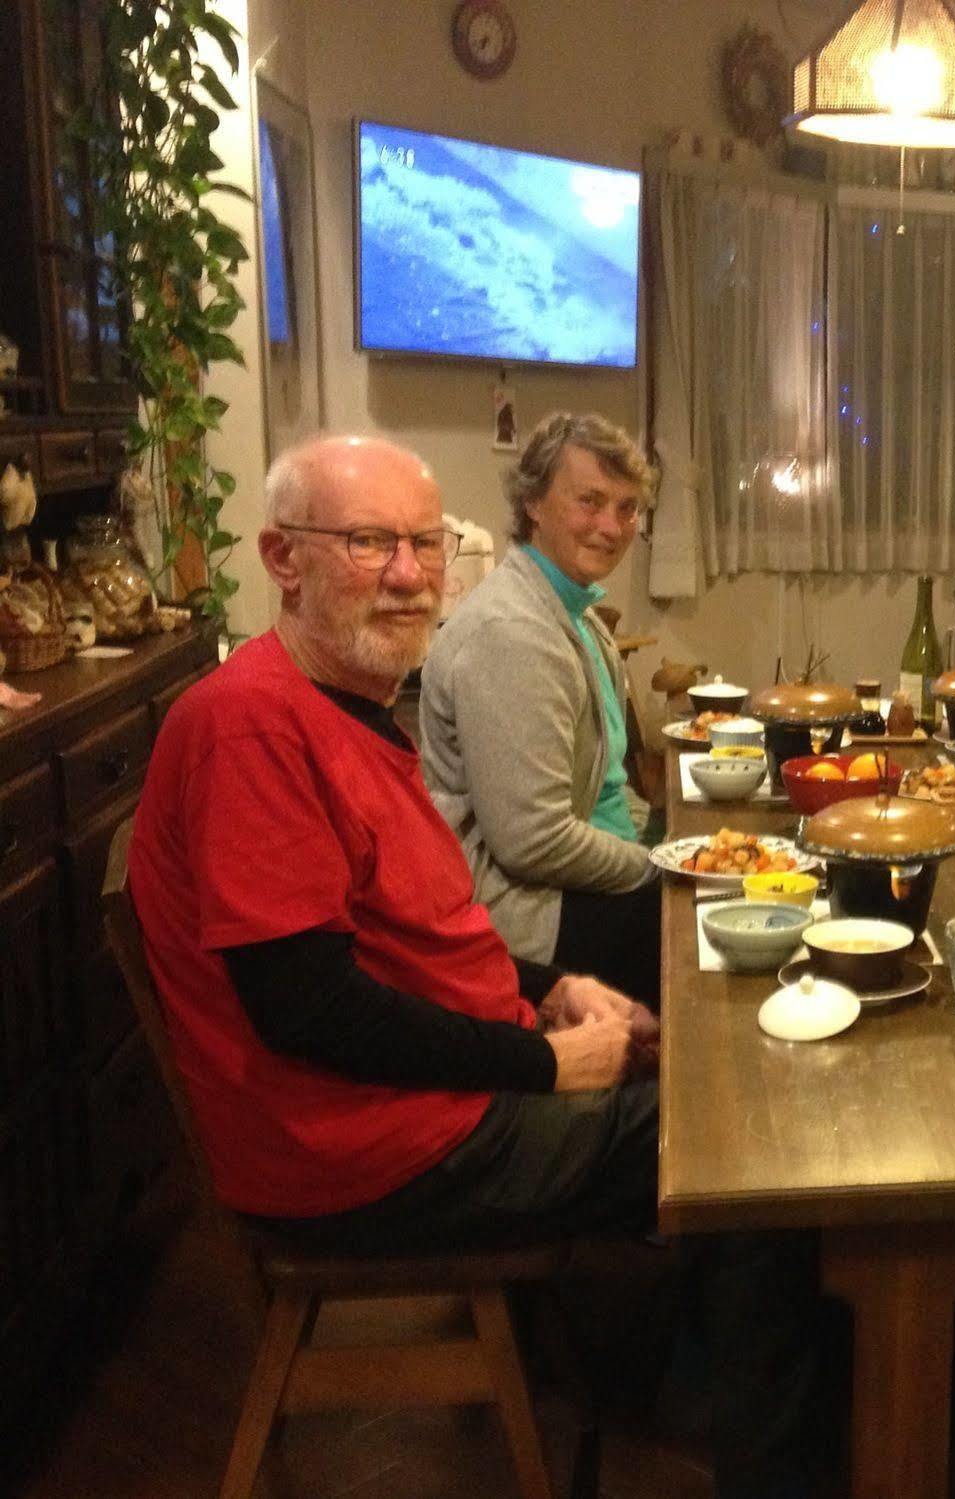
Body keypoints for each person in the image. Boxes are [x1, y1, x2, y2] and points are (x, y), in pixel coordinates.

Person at [128, 435, 818, 1497]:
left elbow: (406, 930)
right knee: (752, 1152)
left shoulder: (343, 706)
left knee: (714, 1074)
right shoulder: (251, 727)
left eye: (423, 542)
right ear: (282, 556)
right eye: (366, 542)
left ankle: (686, 1364)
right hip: (369, 1151)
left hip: (426, 1104)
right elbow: (307, 1008)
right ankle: (771, 1460)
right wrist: (543, 1064)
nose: (408, 573)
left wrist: (549, 988)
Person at [421, 412, 661, 1004]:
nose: (611, 525)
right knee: (707, 936)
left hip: (567, 879)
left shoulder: (575, 614)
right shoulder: (513, 632)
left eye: (627, 508)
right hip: (517, 916)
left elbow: (605, 785)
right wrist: (656, 867)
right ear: (533, 503)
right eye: (590, 501)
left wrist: (658, 850)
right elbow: (534, 842)